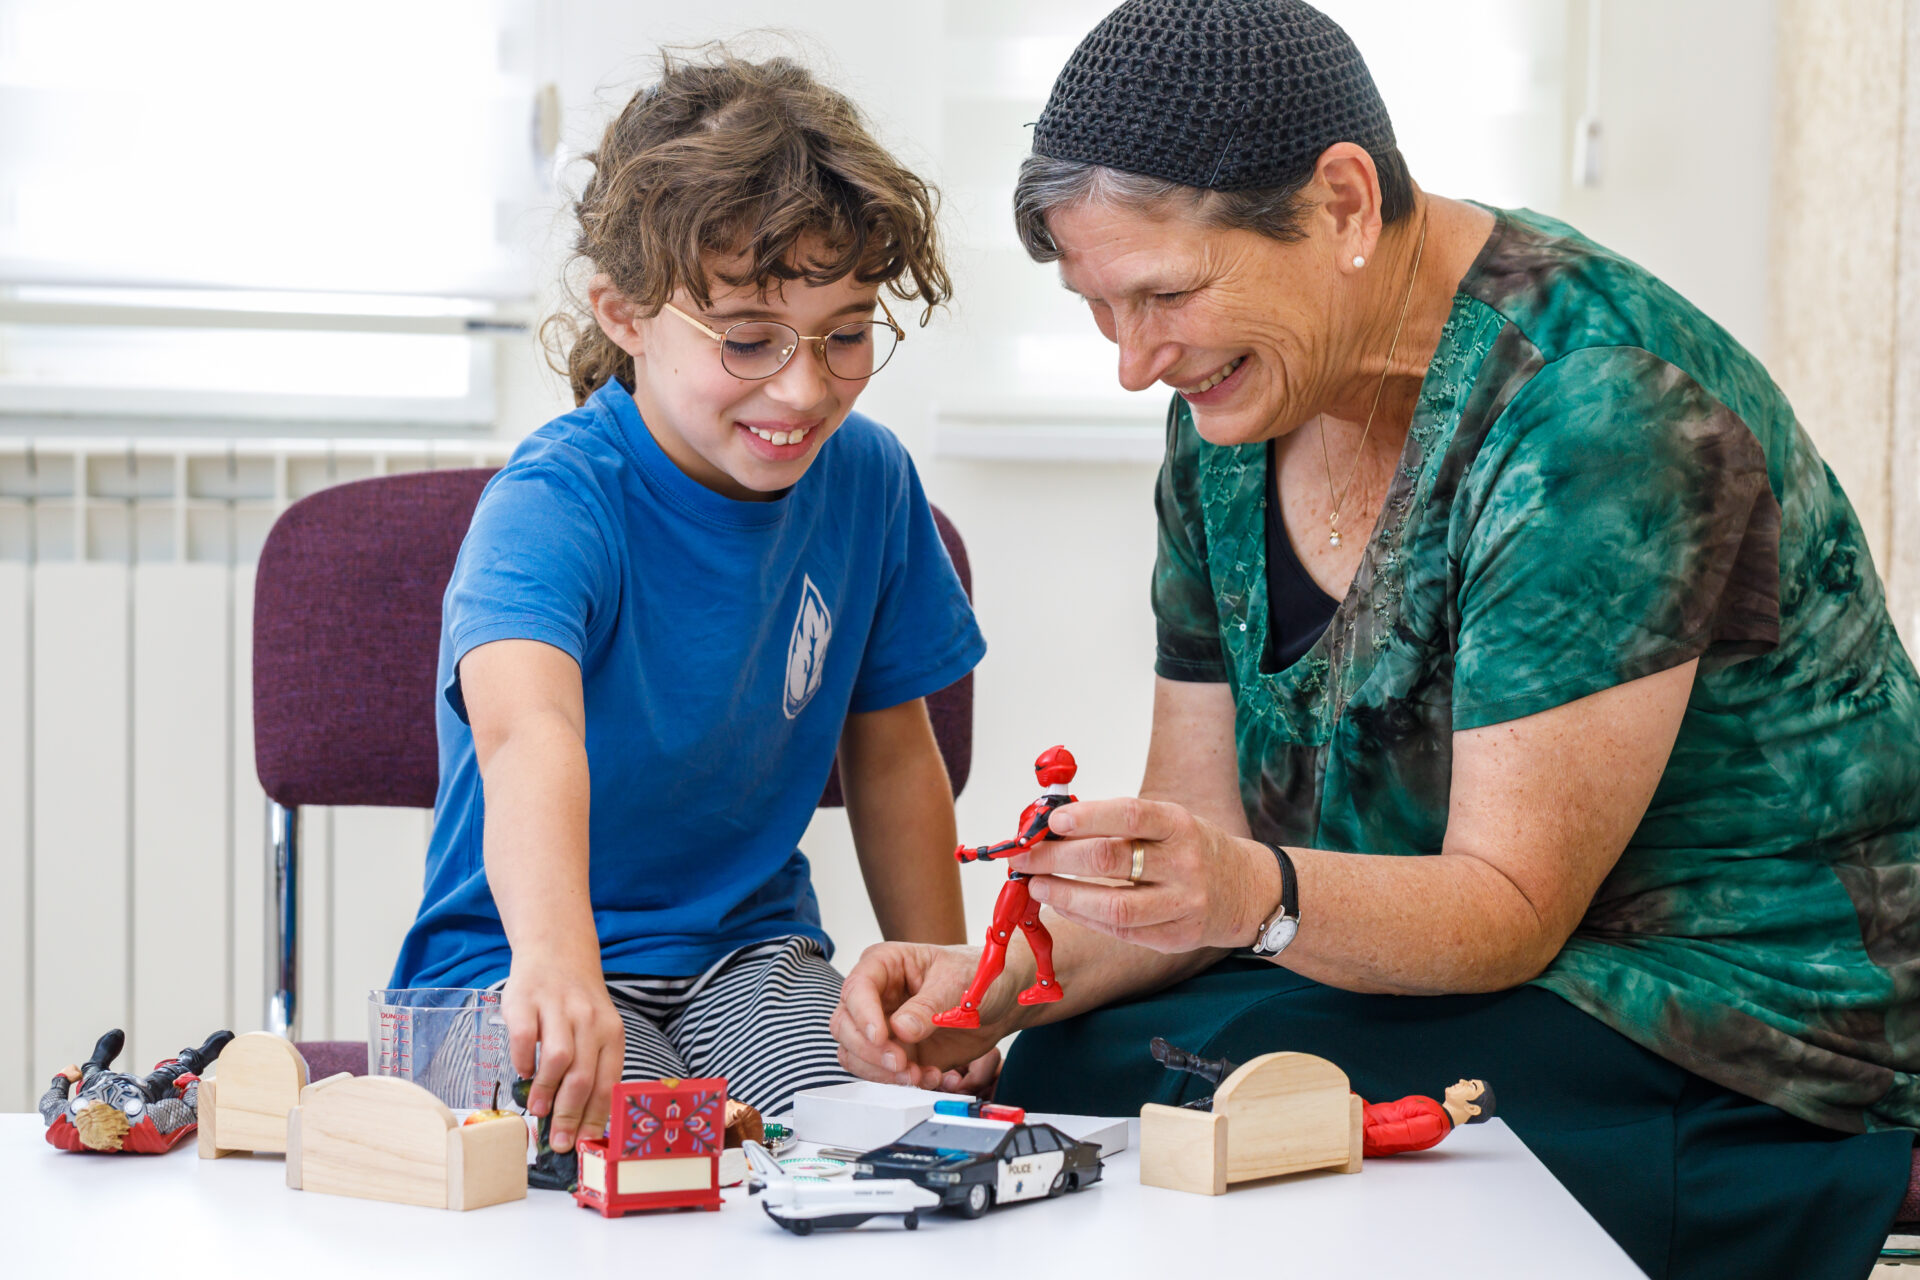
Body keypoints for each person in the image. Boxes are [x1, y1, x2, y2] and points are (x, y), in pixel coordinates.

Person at [829, 3, 1920, 1276]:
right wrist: (992, 988)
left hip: (1735, 1019)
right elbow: (1199, 836)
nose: (1133, 363)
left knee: (1195, 1099)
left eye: (1165, 293)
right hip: (1456, 972)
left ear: (1344, 203)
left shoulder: (1593, 405)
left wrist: (1245, 893)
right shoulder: (1230, 412)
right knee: (1075, 1063)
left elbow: (1504, 905)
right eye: (1099, 306)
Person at [390, 48, 986, 1157]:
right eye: (749, 338)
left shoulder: (867, 481)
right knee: (648, 1161)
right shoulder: (554, 503)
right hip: (515, 961)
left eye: (847, 332)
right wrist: (561, 964)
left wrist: (942, 991)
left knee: (873, 1140)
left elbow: (895, 750)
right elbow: (528, 732)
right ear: (624, 312)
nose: (804, 387)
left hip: (746, 956)